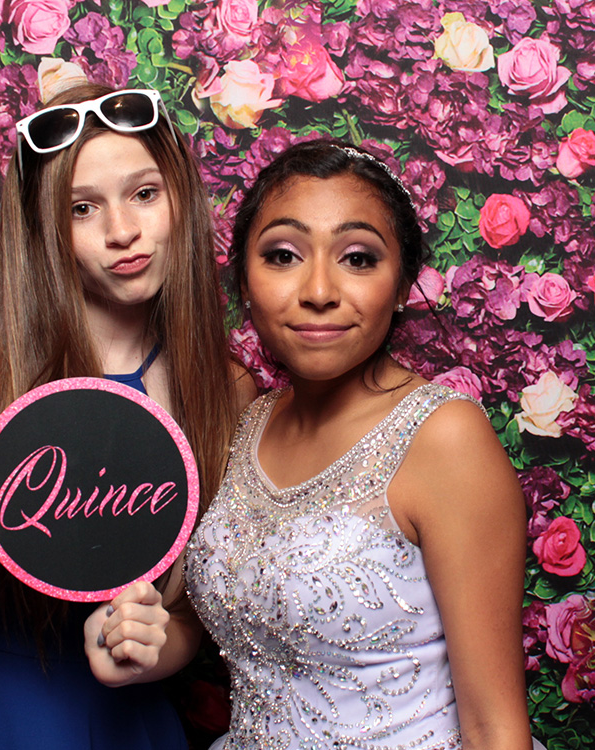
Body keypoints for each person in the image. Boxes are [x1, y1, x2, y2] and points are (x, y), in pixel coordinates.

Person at [0, 83, 252, 749]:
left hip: (122, 724)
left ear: (180, 194)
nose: (122, 230)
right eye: (82, 208)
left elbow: (184, 613)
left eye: (144, 194)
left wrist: (150, 648)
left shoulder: (223, 391)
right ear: (45, 225)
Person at [185, 140, 538, 749]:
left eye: (357, 258)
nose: (319, 290)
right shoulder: (245, 421)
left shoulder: (443, 437)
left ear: (402, 285)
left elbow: (495, 729)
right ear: (245, 279)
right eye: (284, 255)